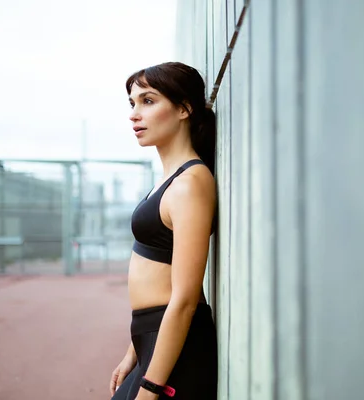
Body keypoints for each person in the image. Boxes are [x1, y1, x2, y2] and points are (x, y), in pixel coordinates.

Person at [109, 62, 218, 400]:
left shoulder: (190, 184)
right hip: (152, 340)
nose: (134, 114)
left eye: (148, 101)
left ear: (184, 109)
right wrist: (133, 353)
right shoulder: (171, 181)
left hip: (178, 347)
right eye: (132, 103)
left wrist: (151, 386)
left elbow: (184, 298)